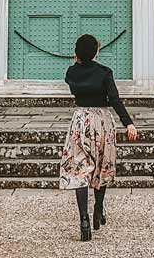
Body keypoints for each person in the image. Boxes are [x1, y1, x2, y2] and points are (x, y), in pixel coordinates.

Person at [59, 33, 138, 241]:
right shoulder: (104, 72)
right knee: (102, 165)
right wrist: (128, 122)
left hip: (80, 120)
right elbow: (114, 99)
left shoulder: (71, 73)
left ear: (77, 52)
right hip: (102, 121)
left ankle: (83, 220)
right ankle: (98, 209)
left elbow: (77, 82)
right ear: (95, 52)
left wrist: (79, 61)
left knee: (79, 169)